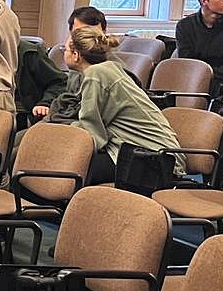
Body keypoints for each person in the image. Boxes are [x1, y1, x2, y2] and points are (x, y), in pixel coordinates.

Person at [64, 24, 185, 184]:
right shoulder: (106, 69)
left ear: (76, 55)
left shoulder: (96, 74)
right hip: (144, 153)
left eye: (65, 49)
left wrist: (62, 133)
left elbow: (93, 133)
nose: (63, 53)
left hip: (154, 160)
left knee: (68, 169)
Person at [21, 6, 109, 125]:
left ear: (104, 32)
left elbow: (92, 122)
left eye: (91, 33)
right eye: (79, 33)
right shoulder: (76, 69)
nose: (86, 37)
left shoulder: (103, 74)